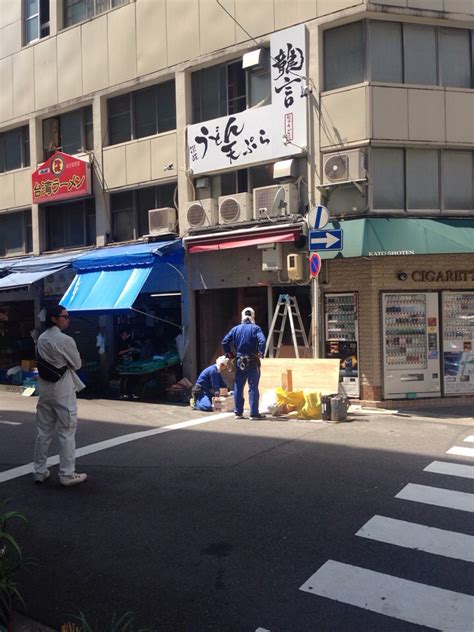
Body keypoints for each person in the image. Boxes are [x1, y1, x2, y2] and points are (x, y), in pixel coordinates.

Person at [33, 304, 87, 487]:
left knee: (43, 433)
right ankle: (67, 473)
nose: (68, 319)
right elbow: (77, 364)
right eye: (65, 316)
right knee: (66, 432)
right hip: (63, 391)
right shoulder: (65, 340)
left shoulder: (41, 338)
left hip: (45, 390)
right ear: (55, 319)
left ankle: (39, 471)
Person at [222, 307, 266, 420]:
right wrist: (261, 352)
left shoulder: (235, 329)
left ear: (242, 317)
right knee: (253, 387)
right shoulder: (256, 328)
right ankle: (254, 413)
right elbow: (262, 340)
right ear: (253, 316)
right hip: (252, 361)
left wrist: (229, 353)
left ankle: (238, 412)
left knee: (238, 387)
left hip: (239, 360)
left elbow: (225, 341)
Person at [117, 328, 141, 400]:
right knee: (123, 378)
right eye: (127, 333)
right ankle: (121, 393)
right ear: (124, 333)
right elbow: (119, 352)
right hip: (122, 362)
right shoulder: (119, 341)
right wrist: (128, 350)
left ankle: (128, 393)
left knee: (129, 377)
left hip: (127, 361)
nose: (128, 335)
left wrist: (131, 351)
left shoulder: (126, 341)